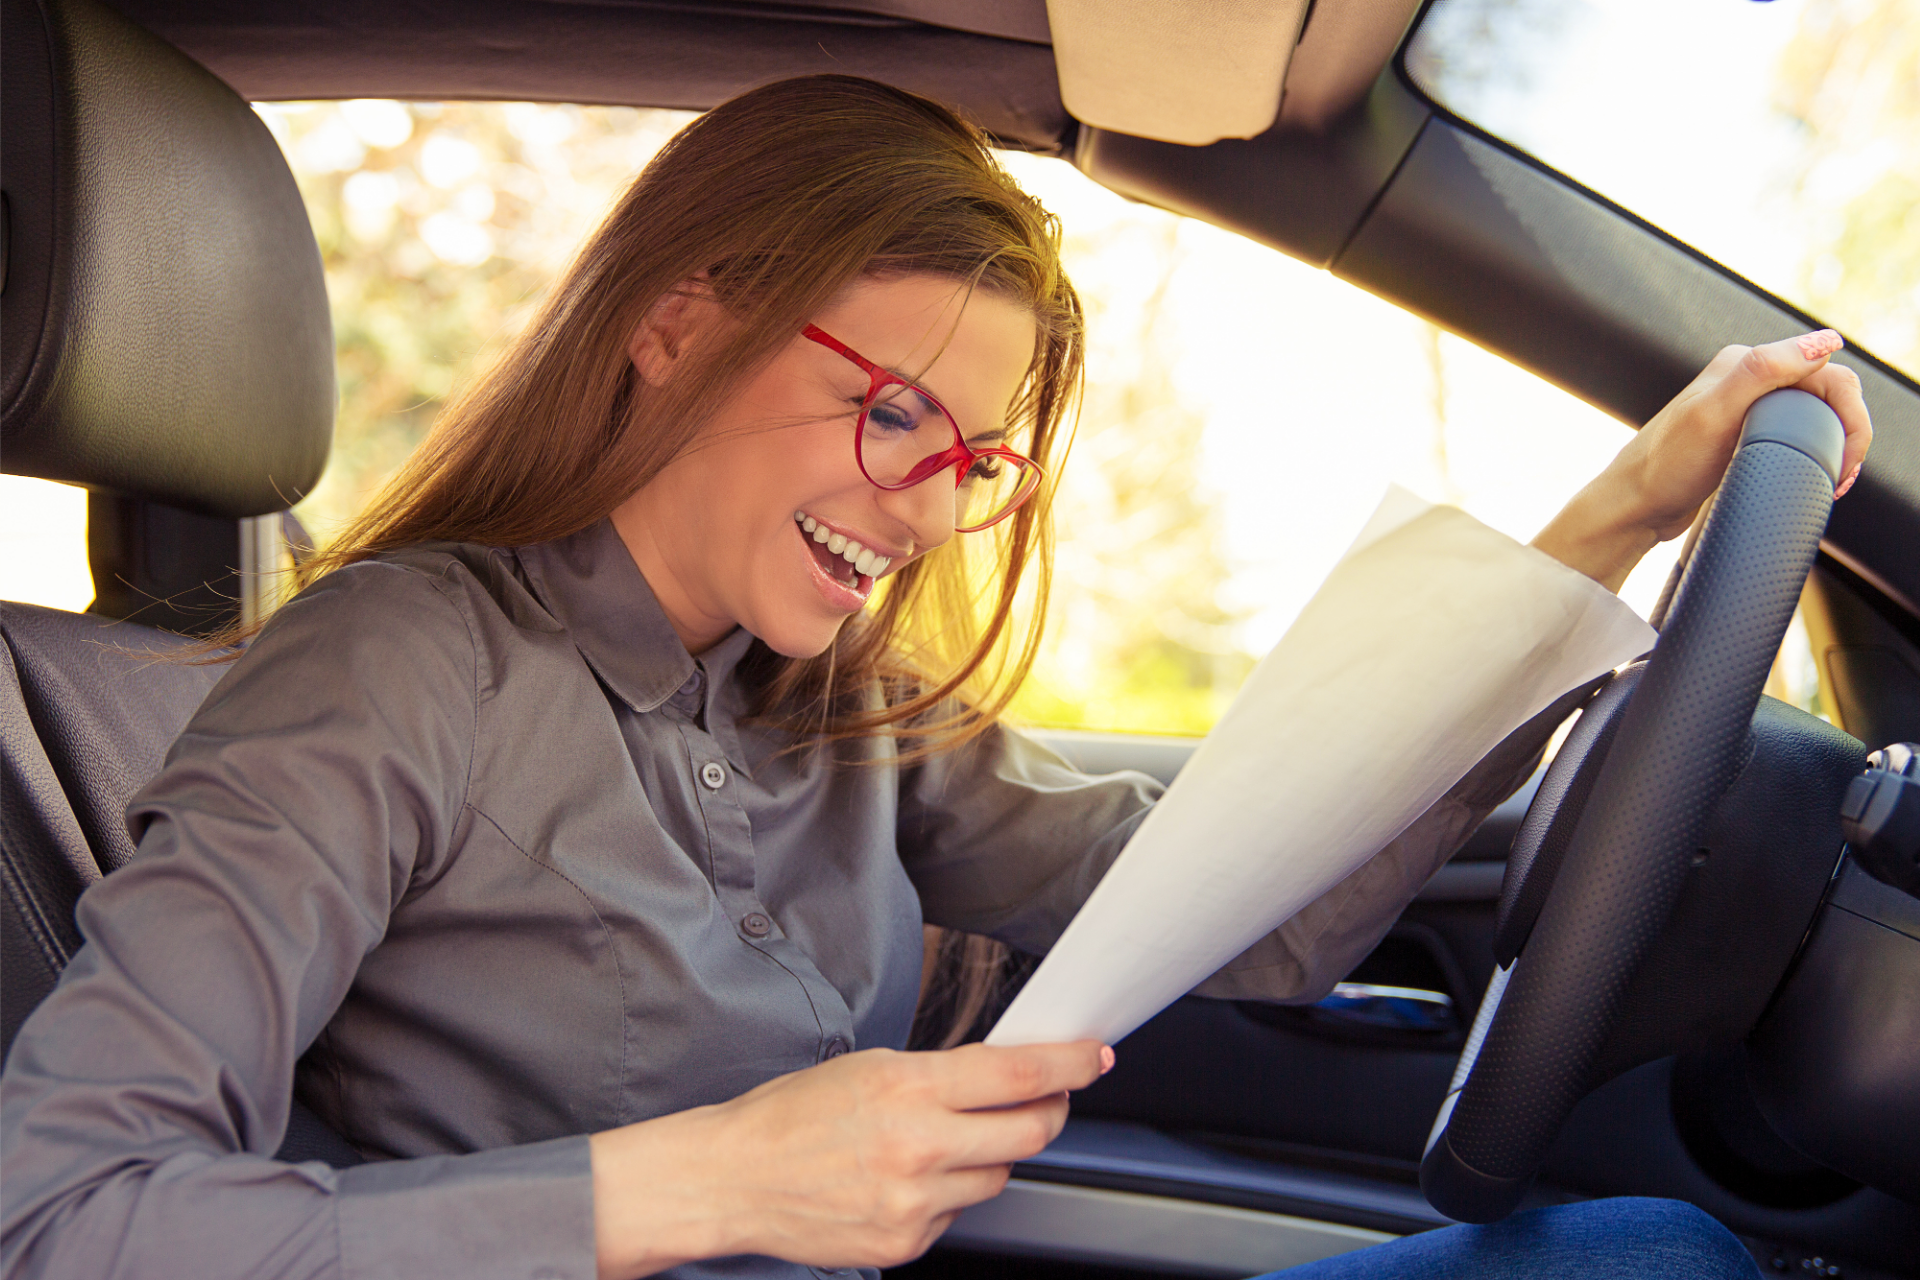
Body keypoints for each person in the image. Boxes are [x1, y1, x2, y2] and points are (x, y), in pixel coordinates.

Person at [0, 74, 1872, 1280]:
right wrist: (711, 1184)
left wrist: (1617, 514)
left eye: (974, 458)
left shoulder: (838, 703)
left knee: (1642, 1253)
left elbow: (1233, 893)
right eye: (895, 412)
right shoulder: (397, 669)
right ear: (676, 322)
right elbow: (63, 1216)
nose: (929, 507)